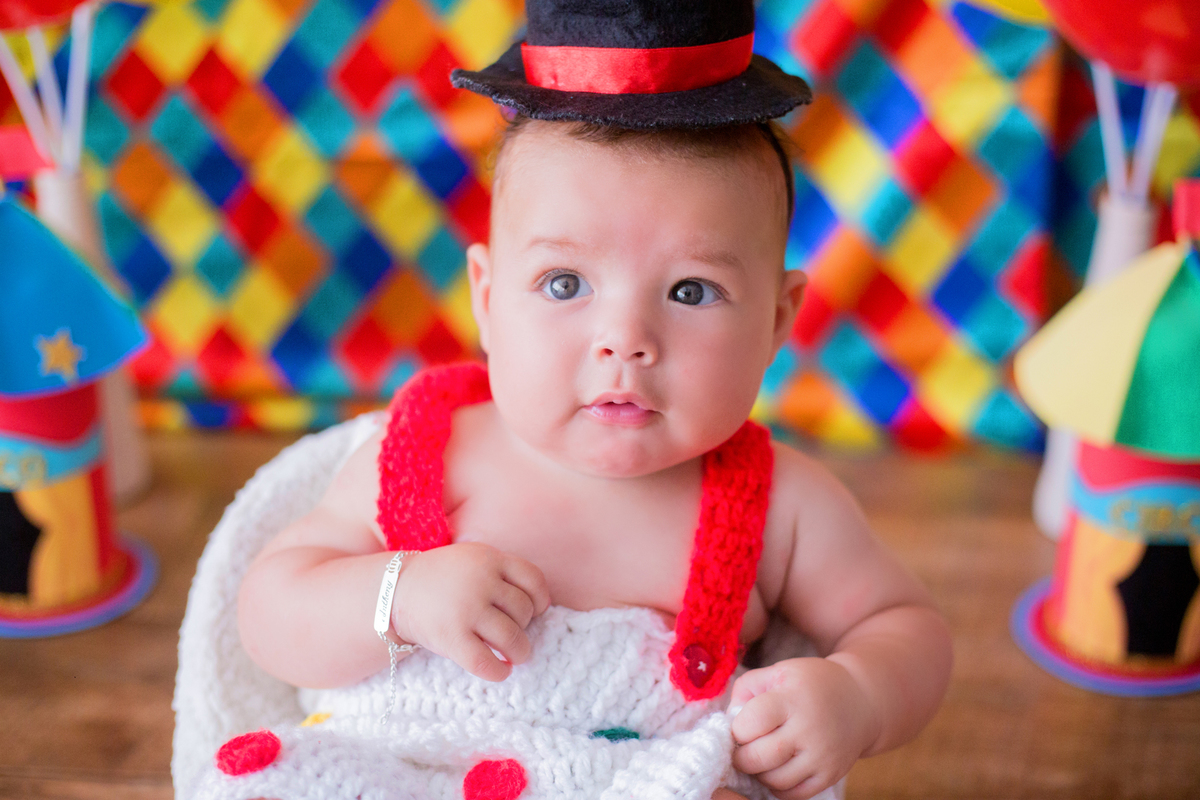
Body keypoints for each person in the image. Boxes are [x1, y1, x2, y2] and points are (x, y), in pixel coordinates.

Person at [204, 2, 953, 799]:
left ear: (775, 320)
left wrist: (859, 697)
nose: (625, 339)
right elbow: (269, 615)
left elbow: (906, 628)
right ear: (487, 300)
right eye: (565, 284)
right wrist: (401, 596)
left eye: (692, 290)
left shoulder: (781, 507)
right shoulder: (424, 455)